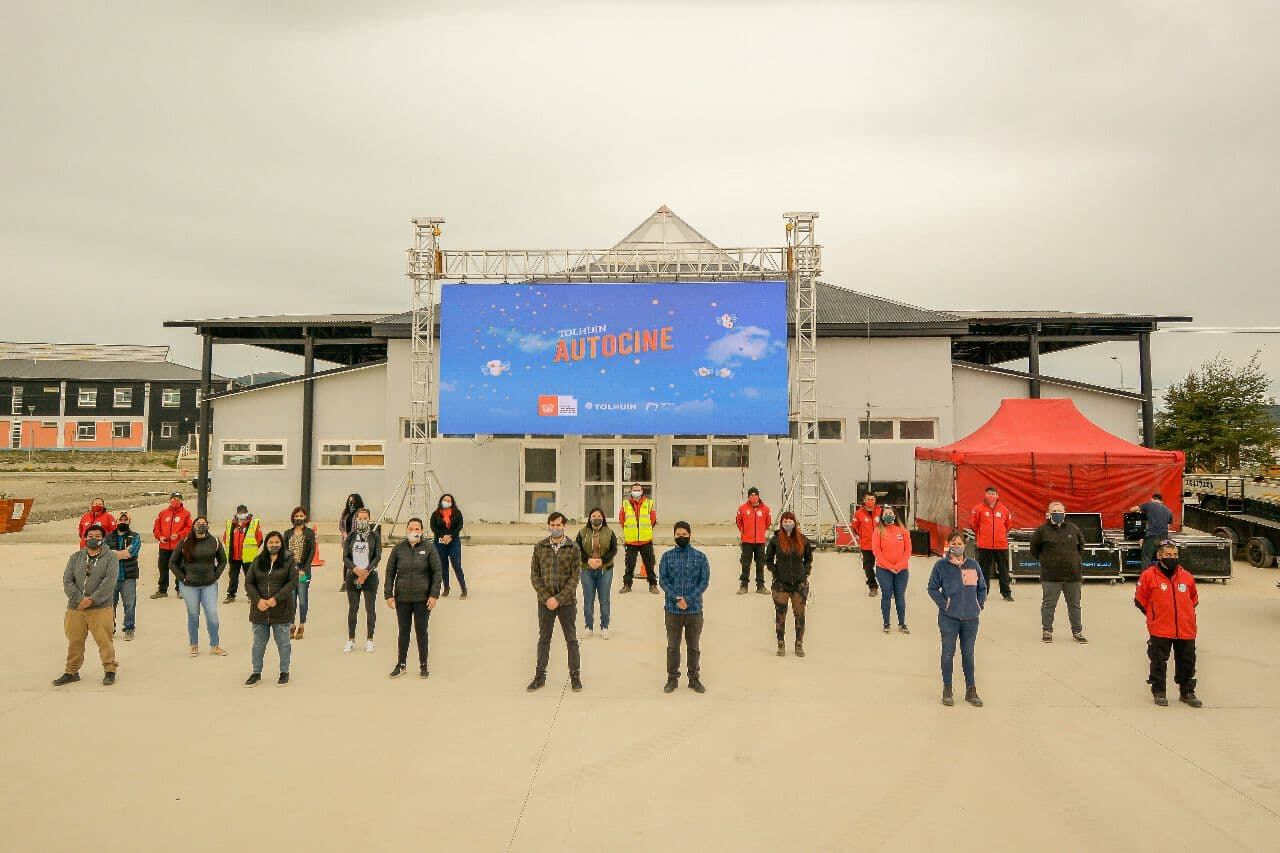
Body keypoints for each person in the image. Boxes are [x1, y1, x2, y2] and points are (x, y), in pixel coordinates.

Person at [1134, 540, 1203, 707]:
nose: (1172, 558)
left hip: (1185, 629)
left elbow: (1193, 599)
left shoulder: (1186, 576)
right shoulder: (1148, 576)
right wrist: (1154, 615)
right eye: (1168, 555)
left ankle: (1187, 692)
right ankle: (1159, 691)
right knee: (1158, 661)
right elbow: (1140, 600)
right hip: (1160, 628)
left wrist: (1184, 616)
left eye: (1175, 555)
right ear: (1159, 556)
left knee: (1187, 661)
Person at [53, 524, 120, 686]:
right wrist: (79, 599)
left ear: (103, 538)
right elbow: (67, 580)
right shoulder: (75, 557)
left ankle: (109, 670)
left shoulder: (110, 557)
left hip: (101, 607)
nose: (94, 539)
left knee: (104, 640)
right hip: (75, 608)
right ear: (84, 538)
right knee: (74, 640)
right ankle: (72, 671)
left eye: (98, 536)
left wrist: (92, 600)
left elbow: (109, 581)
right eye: (90, 536)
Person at [926, 530, 987, 707]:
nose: (957, 547)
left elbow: (982, 587)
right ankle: (947, 689)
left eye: (960, 544)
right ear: (949, 545)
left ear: (965, 546)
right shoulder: (941, 566)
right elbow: (932, 588)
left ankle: (971, 690)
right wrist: (945, 605)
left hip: (971, 618)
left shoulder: (973, 565)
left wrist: (979, 604)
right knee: (947, 653)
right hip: (949, 618)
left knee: (968, 654)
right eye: (953, 543)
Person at [527, 512, 582, 692]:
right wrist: (547, 598)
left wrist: (558, 599)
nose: (556, 528)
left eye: (559, 525)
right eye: (553, 524)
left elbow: (575, 578)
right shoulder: (540, 547)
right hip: (545, 603)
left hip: (566, 603)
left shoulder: (573, 548)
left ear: (564, 526)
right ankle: (539, 676)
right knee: (544, 640)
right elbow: (535, 575)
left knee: (571, 640)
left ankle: (575, 676)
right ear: (548, 525)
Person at [384, 518, 441, 678]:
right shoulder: (398, 549)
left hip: (422, 599)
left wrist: (434, 594)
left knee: (421, 631)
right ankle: (401, 664)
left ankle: (423, 665)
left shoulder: (429, 548)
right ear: (406, 530)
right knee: (403, 631)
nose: (413, 532)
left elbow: (437, 572)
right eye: (411, 528)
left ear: (422, 531)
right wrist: (388, 594)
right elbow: (390, 572)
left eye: (417, 529)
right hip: (402, 598)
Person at [659, 521, 710, 693]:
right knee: (673, 646)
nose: (681, 537)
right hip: (672, 610)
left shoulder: (700, 557)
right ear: (674, 536)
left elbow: (704, 582)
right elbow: (663, 581)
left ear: (690, 535)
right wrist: (676, 598)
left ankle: (694, 679)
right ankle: (672, 679)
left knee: (693, 646)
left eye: (684, 535)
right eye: (678, 535)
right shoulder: (666, 557)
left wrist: (688, 599)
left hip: (694, 610)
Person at [1029, 501, 1088, 644]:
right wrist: (1047, 561)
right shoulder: (1042, 531)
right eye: (1054, 511)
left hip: (1073, 575)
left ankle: (1077, 632)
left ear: (1065, 513)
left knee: (1074, 605)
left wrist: (1074, 561)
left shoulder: (1073, 529)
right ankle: (1047, 631)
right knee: (1049, 605)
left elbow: (1081, 546)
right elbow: (1034, 549)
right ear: (1048, 514)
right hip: (1051, 576)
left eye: (1060, 510)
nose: (1057, 513)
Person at [244, 531, 297, 686]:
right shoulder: (257, 561)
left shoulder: (289, 561)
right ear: (266, 544)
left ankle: (284, 671)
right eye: (270, 542)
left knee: (283, 644)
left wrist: (276, 599)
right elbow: (249, 582)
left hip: (281, 610)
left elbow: (292, 582)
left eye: (276, 542)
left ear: (281, 543)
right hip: (259, 611)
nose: (274, 545)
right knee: (258, 645)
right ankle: (256, 672)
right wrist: (258, 600)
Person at [170, 515, 228, 657]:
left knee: (212, 615)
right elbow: (172, 562)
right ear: (193, 526)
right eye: (198, 523)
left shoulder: (214, 541)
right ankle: (194, 645)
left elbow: (223, 561)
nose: (201, 525)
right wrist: (183, 578)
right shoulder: (185, 542)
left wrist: (215, 576)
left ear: (207, 526)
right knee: (193, 615)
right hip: (189, 585)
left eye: (203, 523)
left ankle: (215, 645)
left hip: (209, 584)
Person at [764, 511, 811, 658]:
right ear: (781, 523)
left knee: (799, 614)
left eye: (791, 521)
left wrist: (805, 572)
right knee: (780, 615)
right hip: (781, 585)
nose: (788, 523)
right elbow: (768, 559)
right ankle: (781, 643)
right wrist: (775, 572)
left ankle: (798, 644)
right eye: (785, 521)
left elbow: (808, 558)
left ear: (795, 523)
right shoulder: (775, 540)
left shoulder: (802, 540)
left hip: (799, 585)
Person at [342, 508, 382, 653]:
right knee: (353, 608)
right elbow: (345, 557)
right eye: (360, 519)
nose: (363, 521)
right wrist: (355, 570)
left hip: (369, 576)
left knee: (370, 608)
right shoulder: (351, 536)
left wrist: (365, 573)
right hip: (353, 576)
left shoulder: (375, 536)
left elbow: (377, 556)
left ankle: (370, 639)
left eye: (365, 519)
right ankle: (351, 639)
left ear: (369, 520)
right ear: (356, 520)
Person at [575, 507, 617, 639]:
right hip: (587, 570)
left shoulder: (609, 532)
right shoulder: (582, 532)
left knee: (604, 600)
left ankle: (605, 627)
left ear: (603, 518)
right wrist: (588, 560)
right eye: (594, 516)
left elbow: (613, 549)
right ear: (589, 518)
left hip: (605, 570)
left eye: (599, 516)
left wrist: (601, 560)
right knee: (588, 600)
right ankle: (589, 627)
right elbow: (577, 549)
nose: (596, 518)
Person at [970, 486, 1015, 602]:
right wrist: (982, 535)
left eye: (993, 493)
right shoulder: (978, 509)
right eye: (989, 493)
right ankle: (983, 593)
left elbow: (1008, 525)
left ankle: (1006, 593)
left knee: (1004, 570)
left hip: (1001, 545)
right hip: (985, 545)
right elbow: (973, 524)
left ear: (997, 496)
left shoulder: (1004, 509)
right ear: (985, 495)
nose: (991, 496)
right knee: (984, 570)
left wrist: (1000, 535)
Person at [872, 507, 912, 634]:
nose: (888, 515)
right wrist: (889, 566)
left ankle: (902, 623)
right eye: (886, 513)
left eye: (890, 513)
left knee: (900, 596)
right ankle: (886, 623)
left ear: (895, 515)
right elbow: (877, 551)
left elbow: (908, 550)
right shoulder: (878, 531)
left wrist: (899, 565)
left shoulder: (903, 531)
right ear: (882, 517)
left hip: (901, 570)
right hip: (884, 569)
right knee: (886, 595)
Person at [282, 508, 316, 640]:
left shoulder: (309, 533)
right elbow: (283, 552)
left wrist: (304, 570)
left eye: (301, 516)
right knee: (291, 600)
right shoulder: (287, 533)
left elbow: (312, 552)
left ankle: (301, 625)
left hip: (303, 571)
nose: (299, 518)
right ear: (293, 517)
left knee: (302, 599)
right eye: (296, 515)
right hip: (290, 571)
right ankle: (291, 625)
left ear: (305, 517)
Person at [107, 511, 142, 640]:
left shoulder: (135, 536)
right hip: (111, 577)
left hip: (128, 576)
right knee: (110, 605)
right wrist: (122, 553)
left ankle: (129, 628)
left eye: (125, 520)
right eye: (120, 520)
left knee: (129, 604)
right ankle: (110, 627)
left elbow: (131, 553)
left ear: (129, 522)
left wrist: (115, 554)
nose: (122, 522)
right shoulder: (108, 537)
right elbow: (106, 554)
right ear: (116, 522)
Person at [618, 483, 658, 594]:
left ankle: (653, 585)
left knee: (649, 565)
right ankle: (627, 585)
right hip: (631, 541)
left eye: (638, 489)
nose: (636, 491)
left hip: (646, 540)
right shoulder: (625, 504)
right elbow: (622, 520)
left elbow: (653, 520)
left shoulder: (649, 503)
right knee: (629, 565)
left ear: (642, 491)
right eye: (634, 489)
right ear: (631, 491)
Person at [151, 492, 192, 599]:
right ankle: (162, 590)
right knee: (163, 568)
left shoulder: (186, 514)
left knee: (179, 568)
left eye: (178, 499)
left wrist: (179, 535)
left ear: (181, 501)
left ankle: (180, 589)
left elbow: (189, 529)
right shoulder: (163, 513)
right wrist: (159, 536)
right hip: (164, 546)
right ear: (170, 500)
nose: (175, 501)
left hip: (178, 547)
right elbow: (156, 528)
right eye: (174, 498)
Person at [221, 504, 262, 604]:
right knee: (233, 577)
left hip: (248, 557)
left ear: (247, 513)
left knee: (250, 578)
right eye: (240, 512)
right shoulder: (231, 524)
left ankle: (251, 596)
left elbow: (259, 538)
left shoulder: (253, 523)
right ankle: (231, 595)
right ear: (237, 513)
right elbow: (225, 538)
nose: (242, 514)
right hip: (234, 556)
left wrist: (252, 549)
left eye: (244, 512)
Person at [735, 486, 772, 595]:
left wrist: (760, 532)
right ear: (748, 496)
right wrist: (745, 532)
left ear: (758, 496)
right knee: (745, 564)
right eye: (751, 495)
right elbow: (739, 522)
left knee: (760, 563)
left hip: (760, 541)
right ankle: (744, 585)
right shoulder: (742, 509)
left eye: (755, 494)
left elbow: (767, 523)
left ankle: (760, 586)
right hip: (747, 541)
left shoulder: (766, 509)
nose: (753, 497)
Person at [430, 493, 467, 598]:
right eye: (444, 500)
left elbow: (459, 526)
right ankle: (446, 588)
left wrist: (450, 536)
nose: (446, 502)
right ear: (441, 501)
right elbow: (433, 527)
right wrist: (442, 536)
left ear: (452, 502)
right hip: (440, 543)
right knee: (443, 566)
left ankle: (463, 588)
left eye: (449, 500)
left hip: (454, 541)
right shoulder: (436, 514)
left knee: (456, 565)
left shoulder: (457, 513)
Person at [1131, 492, 1175, 566]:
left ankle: (1146, 577)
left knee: (1146, 558)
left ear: (1153, 499)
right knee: (1163, 559)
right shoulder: (1169, 510)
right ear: (1161, 501)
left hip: (1152, 537)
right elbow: (1167, 527)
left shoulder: (1149, 505)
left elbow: (1132, 509)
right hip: (1164, 538)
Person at [852, 493, 883, 597]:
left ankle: (889, 588)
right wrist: (862, 536)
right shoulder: (858, 513)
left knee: (884, 567)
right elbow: (855, 527)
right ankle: (873, 587)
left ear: (875, 500)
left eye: (872, 499)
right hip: (866, 546)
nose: (870, 501)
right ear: (864, 500)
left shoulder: (880, 511)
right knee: (868, 567)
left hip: (881, 545)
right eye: (868, 499)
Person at [337, 493, 365, 591]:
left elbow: (363, 526)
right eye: (349, 501)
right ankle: (345, 582)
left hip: (357, 541)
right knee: (347, 561)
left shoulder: (361, 513)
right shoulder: (346, 513)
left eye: (352, 501)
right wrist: (344, 533)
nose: (351, 503)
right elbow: (340, 525)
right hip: (346, 541)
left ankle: (359, 581)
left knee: (357, 562)